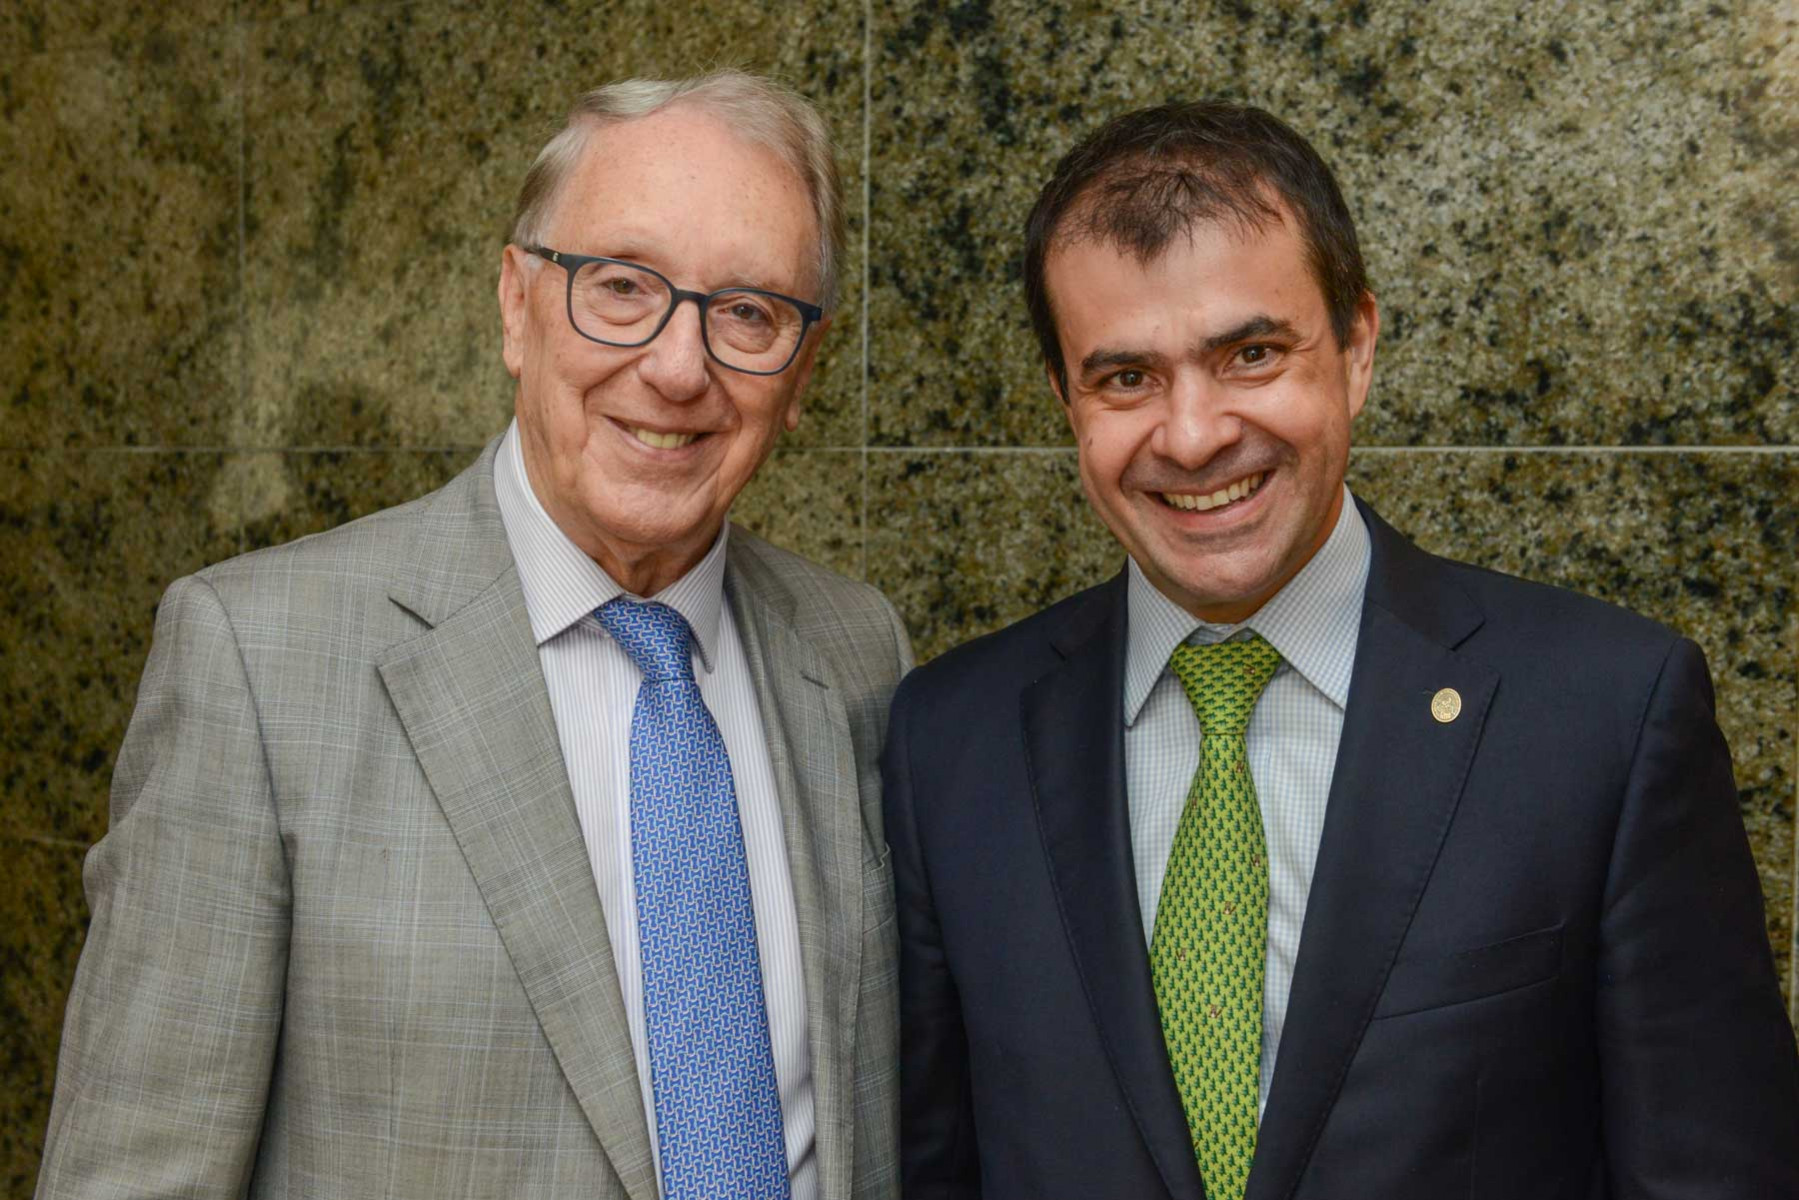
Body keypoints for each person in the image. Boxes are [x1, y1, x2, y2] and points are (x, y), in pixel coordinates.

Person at [882, 101, 1799, 1199]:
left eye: (1250, 354)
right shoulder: (950, 743)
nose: (1192, 435)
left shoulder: (1604, 716)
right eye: (1125, 378)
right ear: (1063, 398)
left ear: (1356, 349)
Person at [37, 70, 910, 1200]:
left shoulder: (855, 652)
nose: (677, 366)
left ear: (802, 373)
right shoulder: (257, 663)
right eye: (620, 286)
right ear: (515, 304)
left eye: (748, 311)